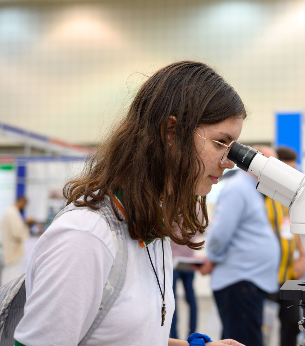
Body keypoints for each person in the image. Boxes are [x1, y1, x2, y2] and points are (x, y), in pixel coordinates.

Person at [14, 61, 246, 346]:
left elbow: (127, 335)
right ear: (171, 133)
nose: (230, 161)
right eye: (221, 143)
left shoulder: (149, 225)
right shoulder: (86, 237)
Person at [199, 146, 281, 346]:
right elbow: (221, 232)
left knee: (243, 336)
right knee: (242, 339)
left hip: (248, 280)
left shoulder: (251, 189)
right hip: (240, 281)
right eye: (271, 164)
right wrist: (212, 257)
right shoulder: (238, 187)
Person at [268, 146, 305, 346]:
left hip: (288, 275)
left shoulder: (290, 198)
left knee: (292, 325)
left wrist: (302, 256)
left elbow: (296, 228)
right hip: (264, 276)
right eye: (286, 170)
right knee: (261, 328)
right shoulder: (261, 196)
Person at [170, 220, 199, 339]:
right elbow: (198, 229)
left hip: (173, 259)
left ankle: (174, 338)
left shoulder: (170, 203)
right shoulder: (197, 205)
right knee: (191, 299)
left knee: (172, 301)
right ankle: (192, 336)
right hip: (188, 258)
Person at [0, 196, 34, 285]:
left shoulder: (8, 211)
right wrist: (27, 225)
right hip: (13, 249)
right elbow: (17, 233)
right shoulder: (12, 213)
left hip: (9, 247)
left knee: (8, 272)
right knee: (11, 274)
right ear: (21, 202)